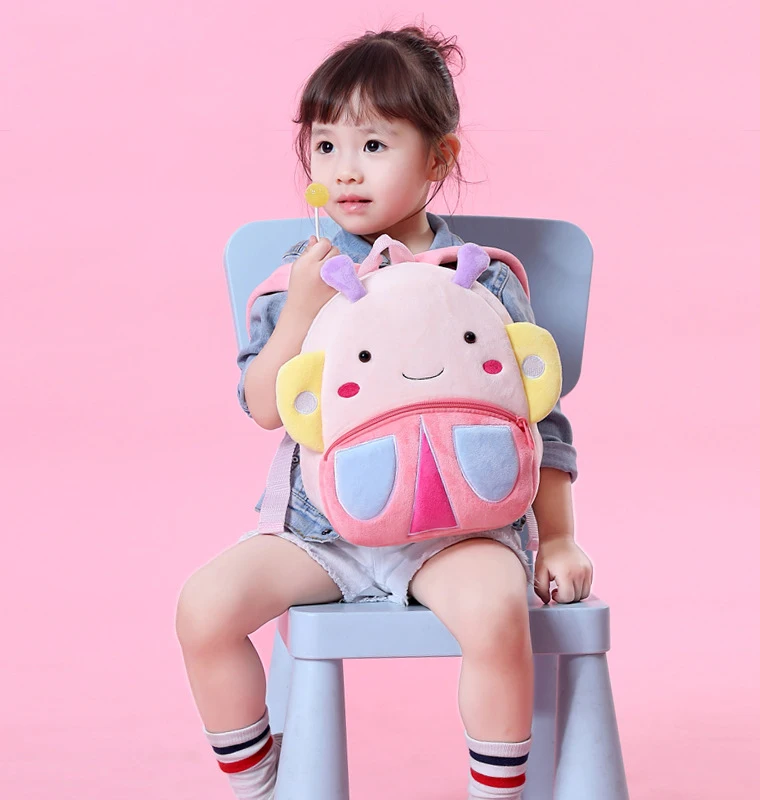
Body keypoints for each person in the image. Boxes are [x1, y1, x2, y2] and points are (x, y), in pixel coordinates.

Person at [176, 22, 593, 800]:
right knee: (203, 609)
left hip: (457, 531)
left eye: (373, 144)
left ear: (438, 158)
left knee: (496, 615)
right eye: (324, 145)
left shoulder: (480, 281)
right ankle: (262, 784)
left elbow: (540, 419)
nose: (345, 169)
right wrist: (303, 309)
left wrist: (560, 537)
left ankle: (497, 792)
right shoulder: (298, 278)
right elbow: (264, 407)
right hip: (321, 533)